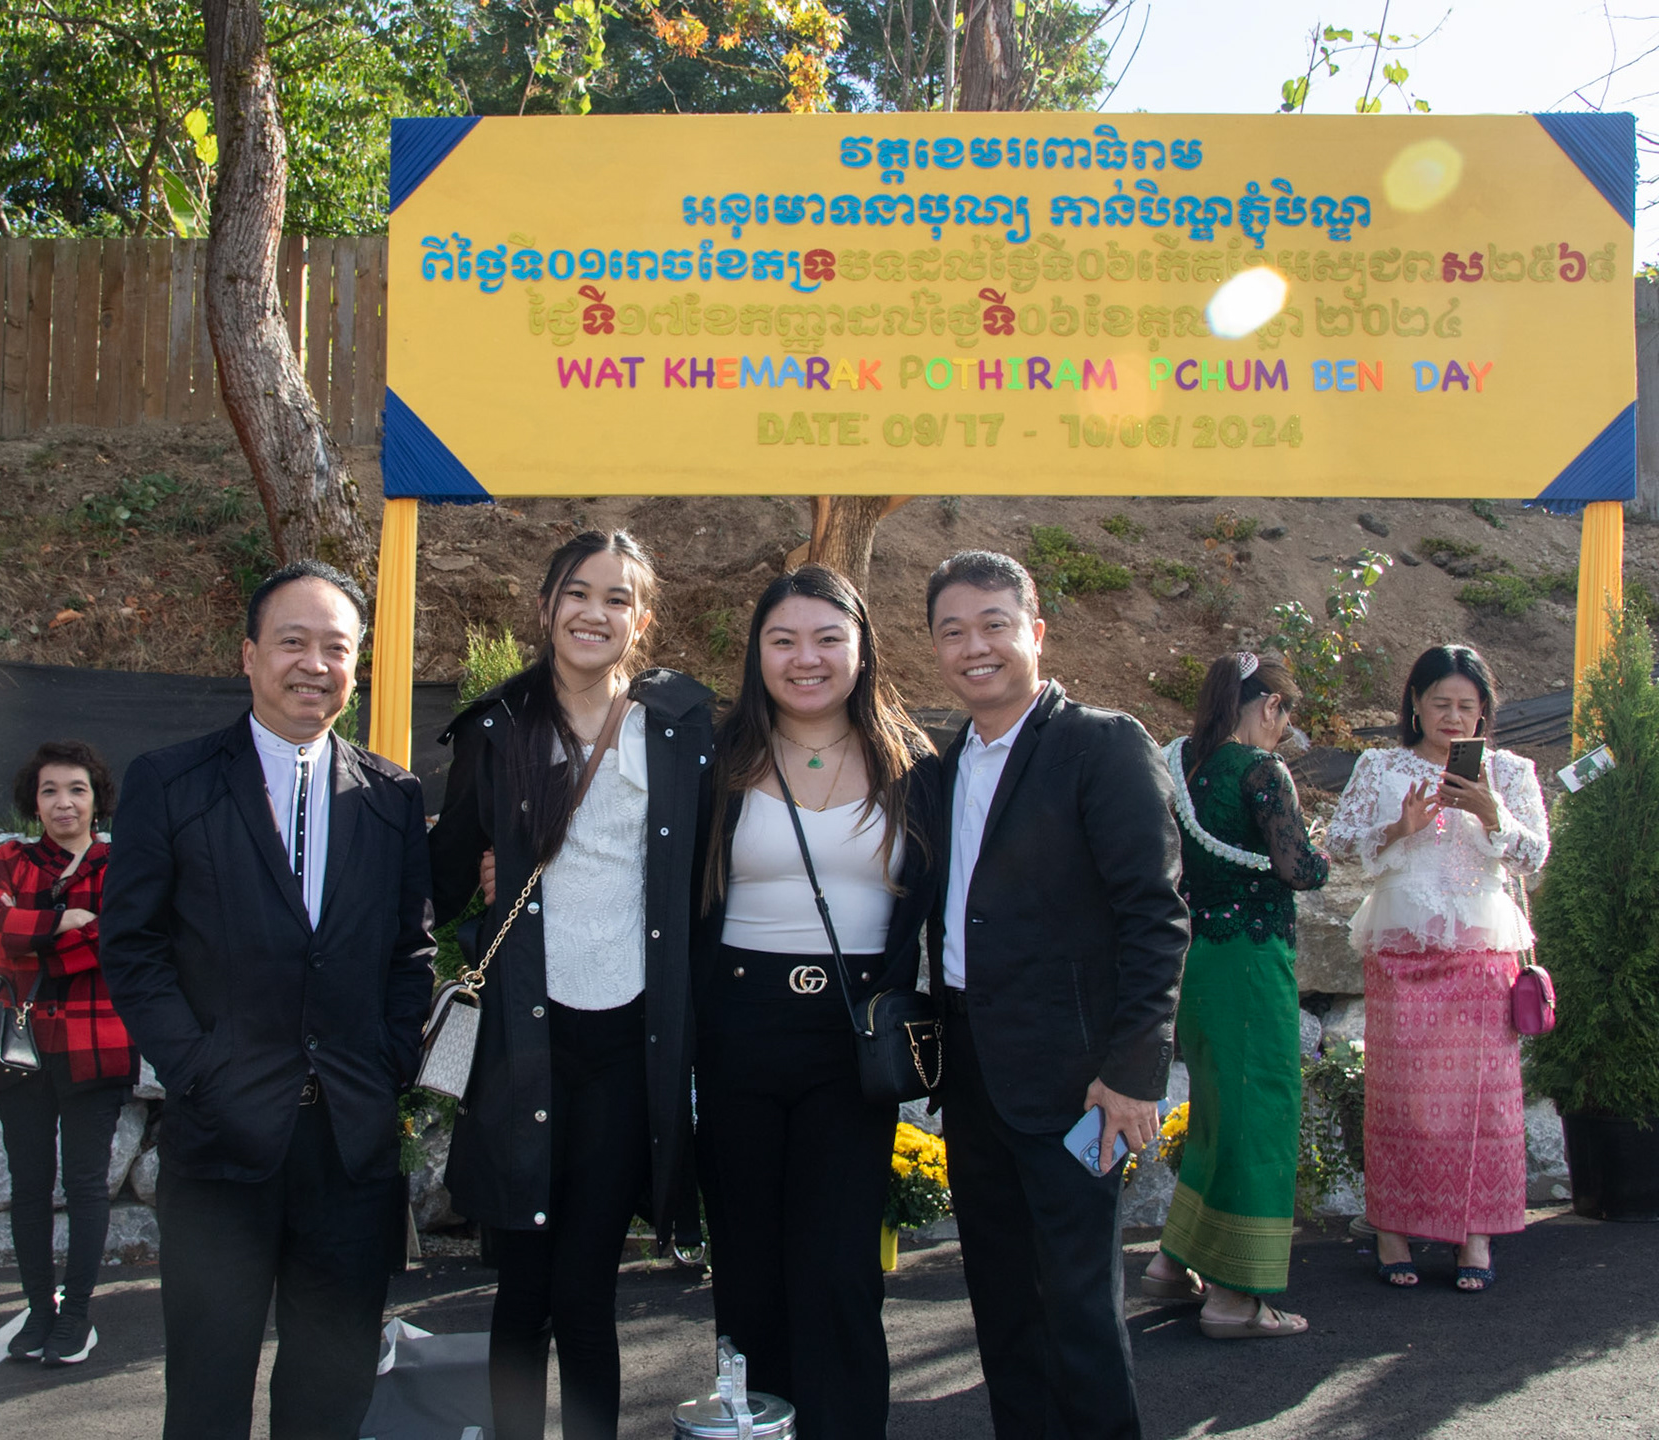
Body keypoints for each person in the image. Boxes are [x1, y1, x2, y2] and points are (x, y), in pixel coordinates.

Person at [98, 559, 437, 1440]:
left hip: (350, 1147)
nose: (314, 665)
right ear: (249, 655)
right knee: (207, 1392)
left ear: (356, 665)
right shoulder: (171, 782)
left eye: (337, 648)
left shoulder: (393, 798)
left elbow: (410, 952)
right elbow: (131, 947)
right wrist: (197, 1067)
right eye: (293, 642)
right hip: (222, 1140)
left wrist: (389, 1062)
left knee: (332, 1392)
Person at [430, 530, 712, 1440]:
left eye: (618, 598)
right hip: (526, 1041)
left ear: (642, 619)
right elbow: (440, 881)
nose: (596, 613)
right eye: (578, 593)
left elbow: (711, 872)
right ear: (547, 605)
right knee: (523, 1287)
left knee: (587, 1288)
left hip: (630, 1042)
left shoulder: (678, 730)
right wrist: (491, 873)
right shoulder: (497, 728)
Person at [923, 551, 1187, 1440]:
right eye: (953, 631)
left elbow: (1156, 915)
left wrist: (1134, 1072)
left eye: (994, 625)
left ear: (1035, 632)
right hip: (972, 1071)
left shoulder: (1101, 745)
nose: (975, 647)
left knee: (1078, 1309)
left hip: (1075, 1079)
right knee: (1001, 1304)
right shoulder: (945, 763)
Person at [693, 565, 940, 1439]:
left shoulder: (915, 764)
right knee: (749, 1267)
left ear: (862, 649)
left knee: (840, 1269)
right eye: (784, 640)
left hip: (853, 1039)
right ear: (756, 653)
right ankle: (756, 1426)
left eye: (829, 638)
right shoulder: (714, 759)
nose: (807, 659)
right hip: (737, 1032)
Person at [1326, 644, 1548, 1292]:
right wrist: (1399, 828)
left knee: (1485, 1099)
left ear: (1483, 713)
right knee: (1400, 1099)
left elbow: (1535, 856)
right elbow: (1338, 841)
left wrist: (1491, 813)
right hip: (1402, 947)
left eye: (1466, 706)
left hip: (1482, 951)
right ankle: (1392, 1230)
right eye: (1440, 703)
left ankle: (1476, 1234)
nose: (1453, 717)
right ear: (1416, 705)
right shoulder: (1380, 766)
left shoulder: (1509, 772)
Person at [1142, 653, 1329, 1338]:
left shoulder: (1185, 762)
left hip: (1201, 962)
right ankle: (1236, 1297)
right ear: (1270, 706)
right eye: (1285, 716)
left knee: (1217, 1114)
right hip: (1253, 961)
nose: (1284, 733)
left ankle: (1173, 1261)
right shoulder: (1261, 771)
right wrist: (1324, 851)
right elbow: (1298, 868)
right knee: (1260, 1116)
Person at [0, 740, 137, 1367]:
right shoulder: (9, 858)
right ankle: (38, 1311)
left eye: (77, 789)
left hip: (96, 1042)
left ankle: (76, 1316)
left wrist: (37, 936)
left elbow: (112, 939)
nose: (63, 802)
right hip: (22, 1048)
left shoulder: (120, 863)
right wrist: (64, 922)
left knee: (86, 1184)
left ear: (97, 799)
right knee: (29, 1184)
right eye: (50, 790)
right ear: (34, 801)